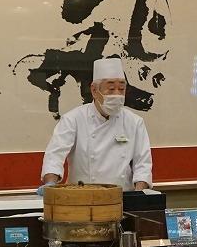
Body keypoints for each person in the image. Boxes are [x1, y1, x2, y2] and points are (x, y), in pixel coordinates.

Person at [40, 57, 153, 192]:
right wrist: (50, 184)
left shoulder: (135, 122)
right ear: (94, 90)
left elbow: (142, 165)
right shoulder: (73, 119)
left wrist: (139, 195)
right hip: (82, 197)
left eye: (121, 89)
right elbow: (55, 156)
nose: (117, 94)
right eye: (111, 89)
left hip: (122, 198)